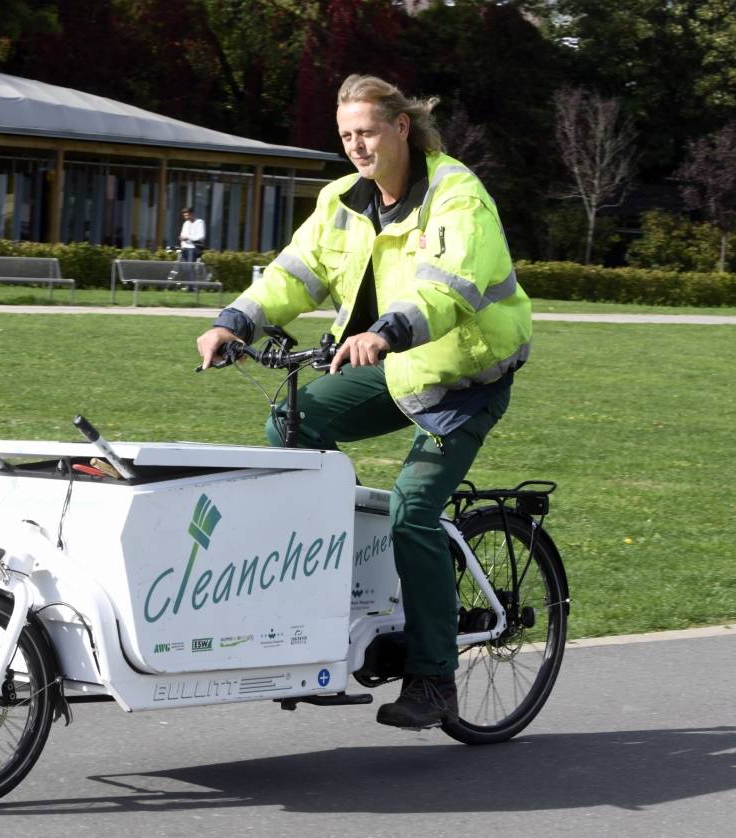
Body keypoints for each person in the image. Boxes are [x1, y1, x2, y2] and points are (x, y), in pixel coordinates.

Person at [195, 74, 532, 729]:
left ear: (401, 127)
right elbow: (296, 273)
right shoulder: (344, 200)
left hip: (464, 381)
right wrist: (235, 321)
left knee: (411, 511)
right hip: (395, 366)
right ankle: (346, 582)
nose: (355, 145)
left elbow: (449, 288)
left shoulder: (457, 196)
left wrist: (387, 332)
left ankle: (434, 679)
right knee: (291, 424)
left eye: (367, 132)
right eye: (346, 135)